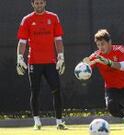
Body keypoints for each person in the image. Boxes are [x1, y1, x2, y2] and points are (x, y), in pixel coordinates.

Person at [16, 0, 67, 130]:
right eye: (36, 3)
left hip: (50, 62)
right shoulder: (27, 20)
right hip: (34, 62)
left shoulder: (53, 17)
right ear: (32, 4)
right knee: (35, 92)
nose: (39, 5)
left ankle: (59, 122)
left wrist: (61, 56)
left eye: (41, 2)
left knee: (57, 90)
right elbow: (22, 41)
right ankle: (37, 121)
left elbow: (58, 39)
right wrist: (19, 57)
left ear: (45, 3)